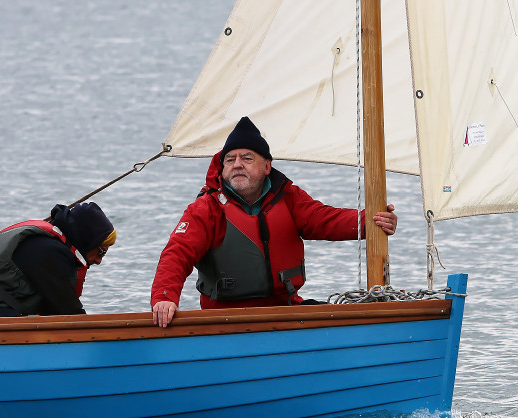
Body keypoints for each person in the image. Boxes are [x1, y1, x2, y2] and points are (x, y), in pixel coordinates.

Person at [150, 116, 397, 328]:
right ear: (222, 167)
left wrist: (371, 221)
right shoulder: (206, 208)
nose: (237, 164)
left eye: (247, 158)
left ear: (267, 166)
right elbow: (177, 254)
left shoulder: (288, 197)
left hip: (285, 311)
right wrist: (164, 297)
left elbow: (324, 219)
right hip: (225, 320)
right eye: (230, 159)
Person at [0, 202, 116, 318]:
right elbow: (69, 312)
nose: (99, 261)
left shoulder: (47, 242)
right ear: (86, 239)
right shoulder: (51, 252)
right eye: (101, 252)